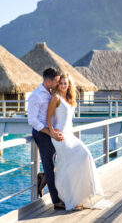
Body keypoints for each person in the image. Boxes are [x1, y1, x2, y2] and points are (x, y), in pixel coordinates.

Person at [46, 72, 104, 211]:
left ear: (69, 84)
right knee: (67, 165)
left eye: (65, 83)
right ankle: (70, 199)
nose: (63, 85)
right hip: (59, 136)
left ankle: (81, 197)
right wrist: (53, 133)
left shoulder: (70, 98)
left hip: (70, 135)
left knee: (85, 155)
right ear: (58, 84)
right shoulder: (56, 97)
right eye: (61, 83)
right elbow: (48, 118)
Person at [28, 68, 65, 210]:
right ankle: (56, 201)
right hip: (42, 134)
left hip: (52, 132)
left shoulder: (51, 92)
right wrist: (49, 132)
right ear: (48, 81)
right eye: (56, 81)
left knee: (57, 164)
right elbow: (32, 120)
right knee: (49, 165)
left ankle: (43, 177)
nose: (58, 83)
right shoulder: (36, 96)